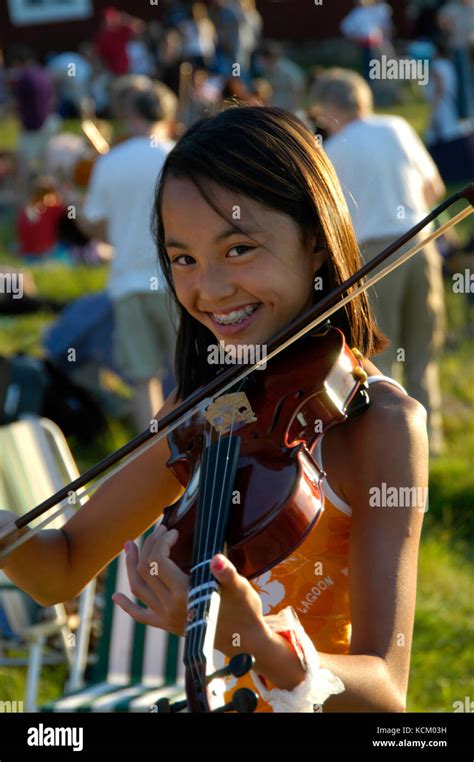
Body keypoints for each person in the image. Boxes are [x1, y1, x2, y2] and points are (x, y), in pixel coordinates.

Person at [0, 106, 429, 713]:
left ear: (314, 241)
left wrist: (247, 639)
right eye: (183, 259)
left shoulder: (380, 426)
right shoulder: (211, 407)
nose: (210, 289)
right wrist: (9, 541)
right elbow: (62, 569)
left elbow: (386, 694)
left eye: (239, 248)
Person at [310, 68, 446, 455]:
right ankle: (430, 439)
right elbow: (434, 187)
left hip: (373, 256)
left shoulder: (330, 152)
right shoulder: (397, 127)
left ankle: (394, 446)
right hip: (421, 243)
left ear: (330, 107)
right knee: (422, 347)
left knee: (379, 355)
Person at [70, 78, 178, 432]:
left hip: (128, 283)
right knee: (194, 375)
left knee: (142, 378)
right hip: (178, 281)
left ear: (130, 114)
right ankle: (201, 449)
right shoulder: (180, 156)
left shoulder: (110, 163)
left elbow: (100, 231)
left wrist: (73, 205)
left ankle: (153, 460)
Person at [437, 0, 474, 119]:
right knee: (463, 83)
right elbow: (441, 21)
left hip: (472, 49)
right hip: (459, 49)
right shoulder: (452, 7)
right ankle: (466, 113)